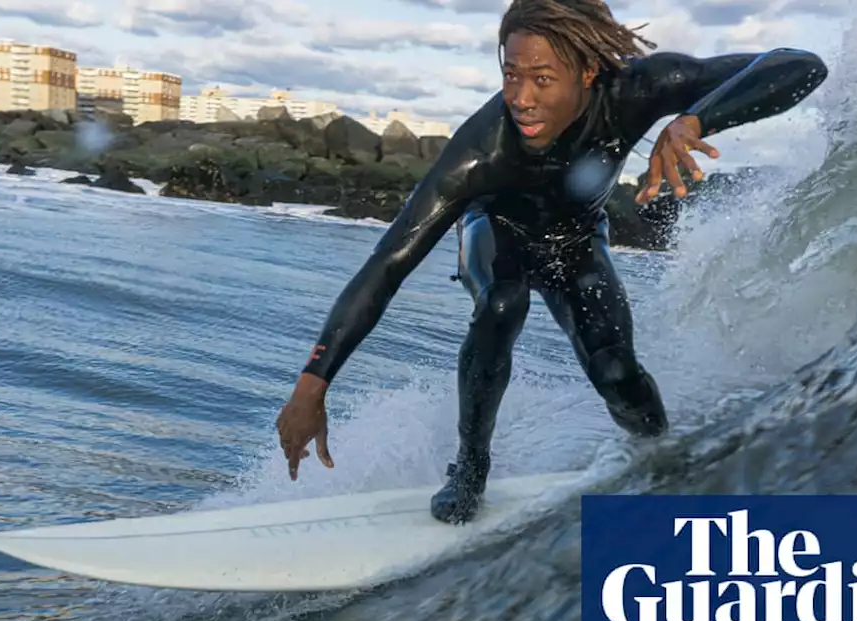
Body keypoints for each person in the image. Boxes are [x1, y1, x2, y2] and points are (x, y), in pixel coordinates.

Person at [276, 0, 828, 524]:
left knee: (618, 375)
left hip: (578, 242)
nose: (521, 97)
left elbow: (799, 66)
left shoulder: (638, 89)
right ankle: (470, 467)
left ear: (587, 72)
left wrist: (695, 121)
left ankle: (661, 460)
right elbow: (388, 262)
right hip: (498, 234)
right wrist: (312, 385)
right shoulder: (479, 153)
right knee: (500, 301)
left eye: (541, 78)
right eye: (511, 75)